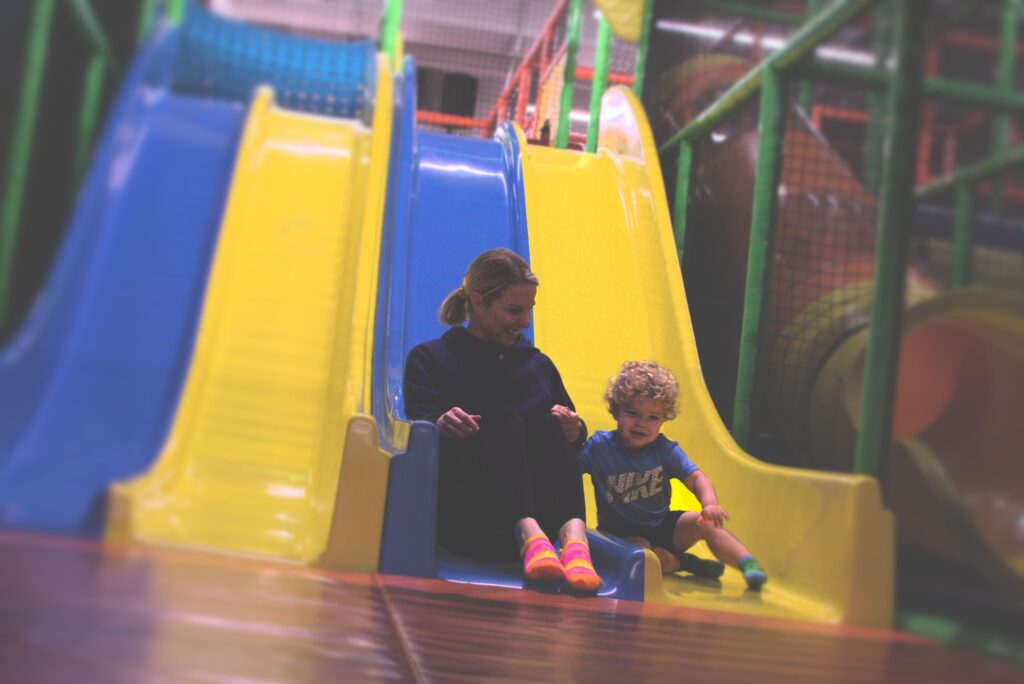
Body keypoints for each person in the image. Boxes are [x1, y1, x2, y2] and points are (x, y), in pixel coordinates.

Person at [403, 248, 602, 592]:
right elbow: (418, 433)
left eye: (529, 310)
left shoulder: (538, 365)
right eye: (514, 310)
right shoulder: (430, 359)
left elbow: (572, 437)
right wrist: (440, 423)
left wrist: (574, 428)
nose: (524, 322)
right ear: (478, 303)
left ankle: (574, 542)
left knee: (547, 423)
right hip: (472, 523)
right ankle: (528, 534)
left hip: (548, 528)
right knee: (504, 419)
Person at [578, 360, 768, 589]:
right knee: (645, 552)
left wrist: (709, 504)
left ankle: (748, 565)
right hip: (620, 535)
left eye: (653, 418)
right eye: (632, 413)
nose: (642, 424)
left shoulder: (664, 450)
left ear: (664, 419)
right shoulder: (600, 447)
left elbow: (697, 478)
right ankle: (685, 563)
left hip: (662, 525)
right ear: (615, 410)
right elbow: (568, 469)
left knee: (705, 522)